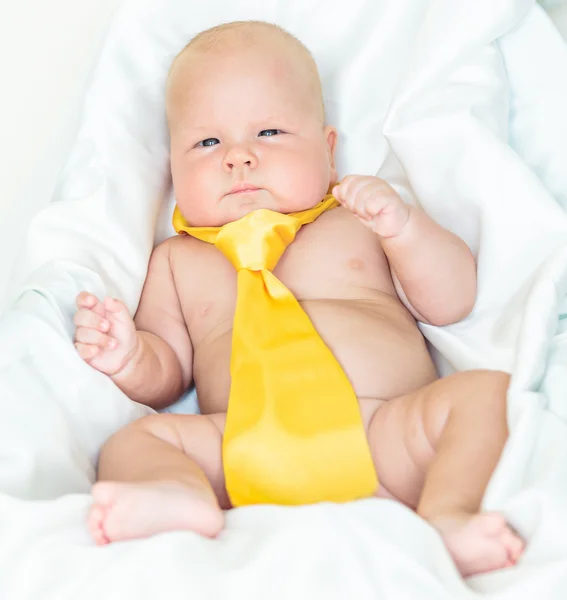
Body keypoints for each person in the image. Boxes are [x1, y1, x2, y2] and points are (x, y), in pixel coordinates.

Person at [75, 20, 524, 576]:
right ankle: (178, 496)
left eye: (269, 134)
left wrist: (405, 230)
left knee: (486, 393)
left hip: (382, 432)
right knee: (134, 441)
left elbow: (452, 300)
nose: (238, 158)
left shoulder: (359, 221)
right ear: (172, 167)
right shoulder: (178, 261)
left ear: (328, 150)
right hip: (240, 446)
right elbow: (168, 372)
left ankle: (447, 514)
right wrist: (129, 356)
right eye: (207, 142)